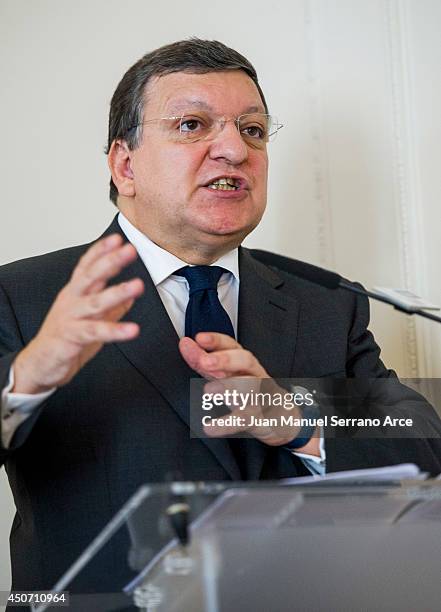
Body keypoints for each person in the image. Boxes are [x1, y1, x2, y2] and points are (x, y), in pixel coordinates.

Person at [1, 38, 440, 598]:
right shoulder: (24, 296)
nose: (234, 150)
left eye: (253, 130)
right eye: (192, 125)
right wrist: (28, 376)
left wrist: (297, 418)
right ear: (125, 163)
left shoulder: (326, 301)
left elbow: (421, 443)